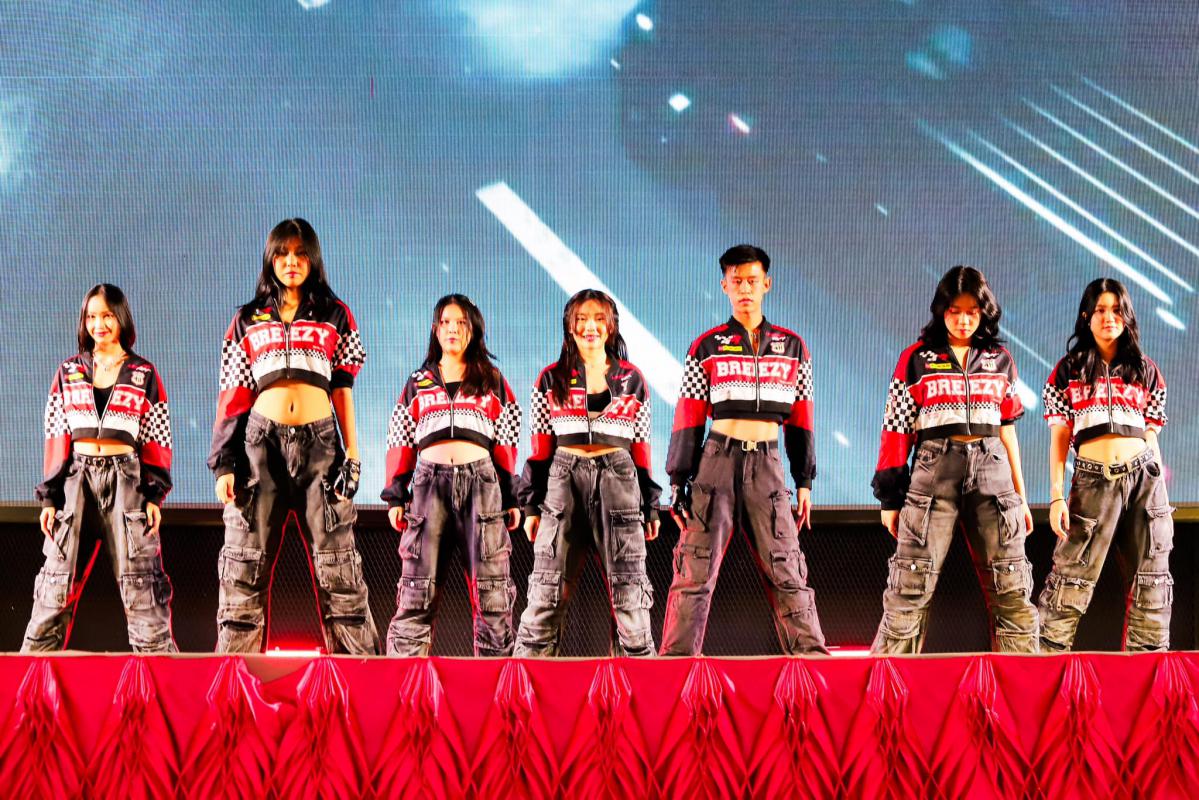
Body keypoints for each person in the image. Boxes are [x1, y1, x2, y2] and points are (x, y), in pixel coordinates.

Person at [208, 218, 378, 654]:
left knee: (338, 567)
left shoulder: (335, 313)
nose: (291, 262)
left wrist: (353, 452)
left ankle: (360, 683)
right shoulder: (246, 318)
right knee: (244, 566)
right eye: (282, 254)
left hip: (321, 446)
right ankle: (235, 684)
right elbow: (233, 393)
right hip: (259, 448)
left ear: (313, 259)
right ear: (270, 259)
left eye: (301, 254)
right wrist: (224, 463)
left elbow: (342, 387)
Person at [661, 244, 827, 656]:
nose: (745, 289)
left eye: (752, 281)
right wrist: (678, 480)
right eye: (737, 281)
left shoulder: (793, 347)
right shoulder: (706, 346)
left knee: (787, 568)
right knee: (695, 569)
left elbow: (802, 418)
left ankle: (812, 663)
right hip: (716, 462)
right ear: (724, 286)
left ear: (767, 284)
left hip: (768, 465)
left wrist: (804, 480)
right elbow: (688, 415)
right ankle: (675, 668)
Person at [870, 265, 1038, 653]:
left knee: (1012, 586)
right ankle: (888, 688)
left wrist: (1021, 497)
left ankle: (1023, 686)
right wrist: (890, 500)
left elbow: (1007, 431)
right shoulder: (915, 358)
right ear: (941, 310)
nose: (963, 320)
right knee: (910, 587)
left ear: (984, 313)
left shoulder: (1000, 359)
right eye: (954, 311)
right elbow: (895, 429)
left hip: (993, 473)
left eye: (972, 312)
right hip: (933, 473)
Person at [24, 284, 177, 652]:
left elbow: (157, 436)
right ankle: (28, 683)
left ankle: (161, 680)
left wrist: (154, 494)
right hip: (76, 482)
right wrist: (49, 498)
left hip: (126, 482)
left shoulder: (143, 372)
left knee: (142, 588)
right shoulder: (68, 371)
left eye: (107, 315)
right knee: (55, 586)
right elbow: (57, 434)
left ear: (121, 318)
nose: (99, 324)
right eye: (91, 316)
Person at [514, 289, 661, 657]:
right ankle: (525, 687)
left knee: (630, 594)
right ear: (570, 326)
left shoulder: (633, 379)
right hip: (563, 480)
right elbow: (540, 449)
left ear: (610, 326)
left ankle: (641, 687)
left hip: (619, 480)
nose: (590, 326)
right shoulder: (550, 378)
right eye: (581, 319)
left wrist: (651, 505)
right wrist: (531, 506)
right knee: (546, 591)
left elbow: (642, 449)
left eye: (598, 318)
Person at [381, 295, 521, 656]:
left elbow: (507, 439)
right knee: (416, 589)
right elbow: (400, 437)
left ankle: (495, 685)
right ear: (435, 329)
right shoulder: (418, 382)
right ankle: (406, 683)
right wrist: (396, 493)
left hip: (482, 488)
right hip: (429, 488)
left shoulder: (492, 380)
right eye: (445, 322)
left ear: (473, 329)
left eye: (461, 323)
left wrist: (511, 495)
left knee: (492, 592)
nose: (453, 330)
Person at [1038, 278, 1172, 651]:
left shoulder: (1145, 369)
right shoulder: (1068, 370)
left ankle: (1146, 678)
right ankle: (1042, 673)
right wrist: (1056, 495)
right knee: (1069, 581)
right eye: (1100, 310)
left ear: (1127, 316)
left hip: (1144, 479)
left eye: (1116, 310)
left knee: (1152, 581)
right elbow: (1060, 435)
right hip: (1092, 480)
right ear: (1086, 316)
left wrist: (1161, 499)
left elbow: (1151, 435)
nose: (1109, 317)